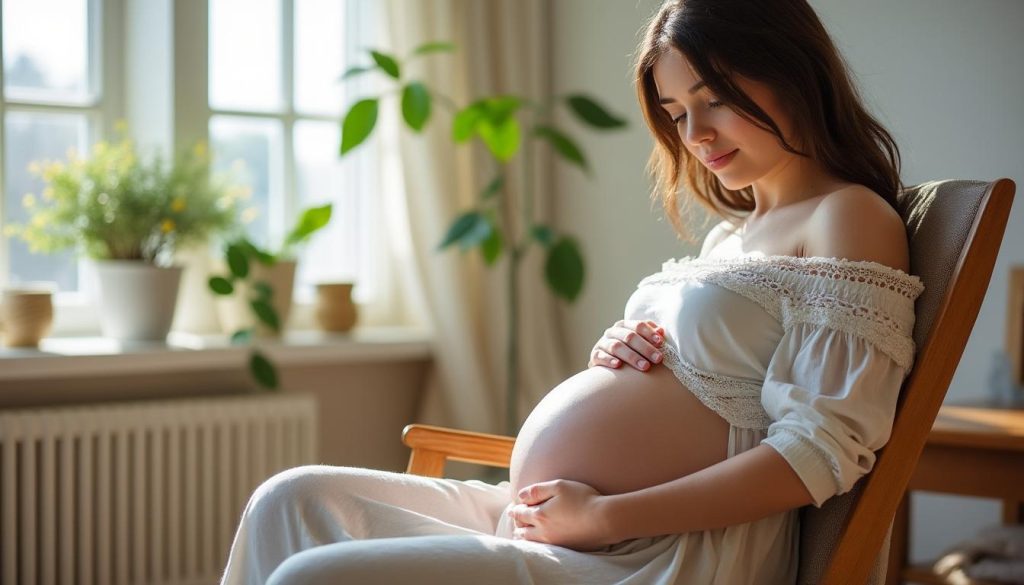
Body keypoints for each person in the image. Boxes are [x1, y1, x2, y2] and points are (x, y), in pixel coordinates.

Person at [219, 0, 924, 583]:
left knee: (305, 577)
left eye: (714, 102)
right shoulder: (733, 234)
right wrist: (631, 352)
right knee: (287, 499)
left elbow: (820, 451)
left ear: (794, 76)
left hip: (664, 551)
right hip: (563, 520)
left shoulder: (848, 216)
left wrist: (604, 514)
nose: (695, 134)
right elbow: (714, 382)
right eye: (677, 111)